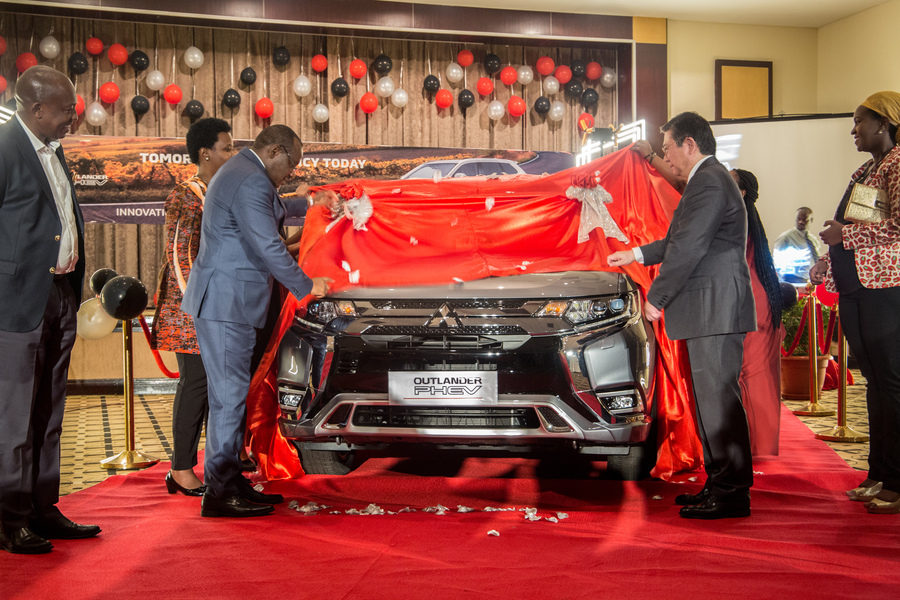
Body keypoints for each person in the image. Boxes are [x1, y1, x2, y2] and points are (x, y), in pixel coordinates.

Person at [608, 112, 756, 520]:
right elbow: (677, 239)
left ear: (690, 144)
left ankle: (731, 492)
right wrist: (636, 253)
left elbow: (688, 246)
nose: (666, 157)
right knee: (710, 402)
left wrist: (657, 298)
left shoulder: (709, 179)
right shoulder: (707, 179)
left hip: (714, 308)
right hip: (709, 309)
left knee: (719, 402)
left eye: (669, 147)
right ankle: (720, 482)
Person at [182, 125, 332, 518]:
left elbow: (272, 209)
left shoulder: (244, 171)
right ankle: (219, 490)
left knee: (229, 398)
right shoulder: (248, 178)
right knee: (229, 398)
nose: (291, 173)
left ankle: (229, 481)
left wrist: (311, 204)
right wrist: (306, 284)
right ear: (276, 151)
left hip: (229, 301)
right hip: (227, 302)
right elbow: (267, 242)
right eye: (292, 164)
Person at [0, 65, 100, 554]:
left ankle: (43, 507)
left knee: (49, 412)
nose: (72, 120)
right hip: (14, 303)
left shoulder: (53, 151)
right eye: (65, 111)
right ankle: (10, 517)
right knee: (13, 419)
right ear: (35, 109)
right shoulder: (3, 148)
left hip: (59, 295)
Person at [811, 91, 900, 515]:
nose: (853, 129)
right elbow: (852, 224)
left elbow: (897, 227)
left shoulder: (899, 163)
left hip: (886, 286)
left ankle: (896, 483)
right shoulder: (867, 169)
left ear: (883, 124)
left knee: (892, 384)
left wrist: (844, 238)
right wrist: (827, 261)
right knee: (875, 383)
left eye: (859, 121)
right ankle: (878, 473)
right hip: (857, 284)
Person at [150, 118, 234, 496]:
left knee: (215, 387)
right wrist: (196, 307)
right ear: (206, 152)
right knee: (196, 385)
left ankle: (217, 461)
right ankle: (181, 468)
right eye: (227, 148)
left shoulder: (218, 190)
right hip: (192, 307)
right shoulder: (187, 194)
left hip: (214, 305)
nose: (232, 155)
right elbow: (180, 255)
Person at [731, 168, 784, 456]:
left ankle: (755, 445)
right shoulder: (749, 219)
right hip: (756, 299)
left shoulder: (735, 219)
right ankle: (758, 443)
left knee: (749, 375)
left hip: (749, 302)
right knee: (756, 375)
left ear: (740, 192)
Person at [774, 207, 824, 282]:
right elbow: (776, 262)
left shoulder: (813, 240)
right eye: (798, 219)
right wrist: (782, 283)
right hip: (792, 280)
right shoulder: (786, 238)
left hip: (810, 281)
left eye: (804, 219)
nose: (800, 222)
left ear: (811, 220)